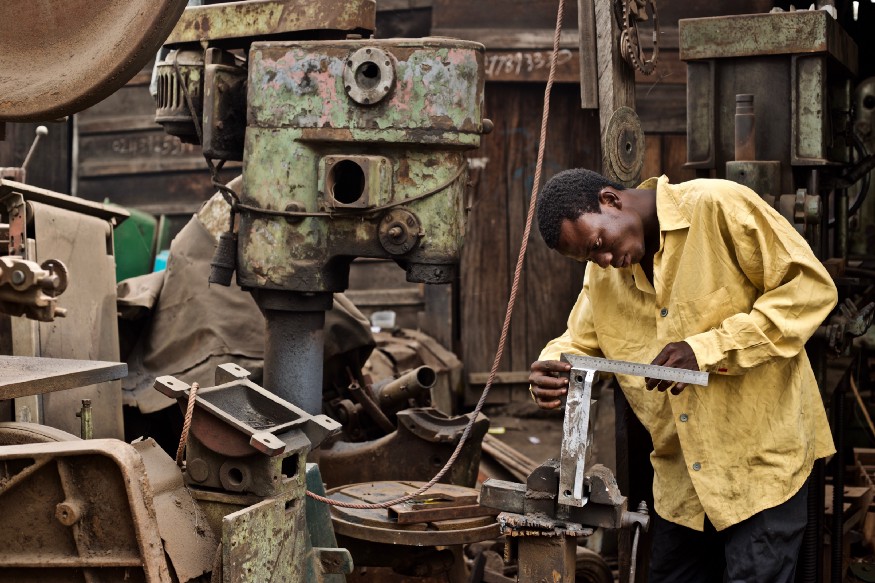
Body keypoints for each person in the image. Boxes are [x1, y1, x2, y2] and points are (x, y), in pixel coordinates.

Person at [529, 169, 837, 582]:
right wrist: (553, 368)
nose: (603, 261)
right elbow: (578, 341)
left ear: (610, 199)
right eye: (590, 258)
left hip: (759, 471)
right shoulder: (603, 273)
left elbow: (810, 289)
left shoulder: (718, 206)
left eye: (599, 244)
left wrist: (706, 348)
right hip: (682, 485)